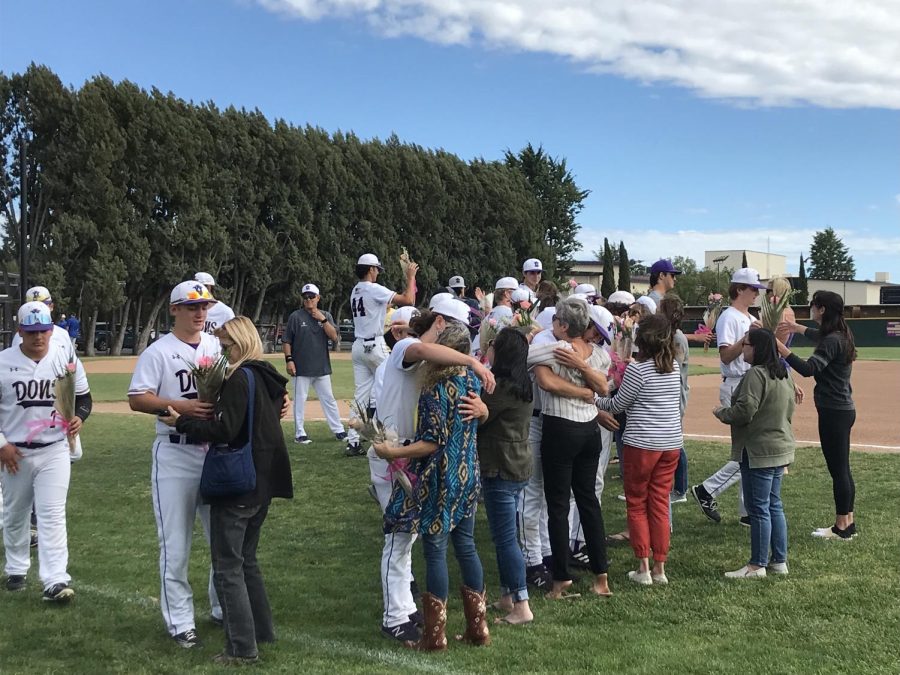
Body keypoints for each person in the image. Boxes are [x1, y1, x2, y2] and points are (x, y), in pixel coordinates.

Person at [160, 316, 293, 665]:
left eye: (226, 346)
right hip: (264, 481)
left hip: (238, 485)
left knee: (228, 567)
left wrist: (182, 422)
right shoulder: (267, 376)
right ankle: (262, 631)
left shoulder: (239, 379)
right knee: (247, 561)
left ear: (240, 343)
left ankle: (241, 649)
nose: (221, 353)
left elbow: (224, 430)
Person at [369, 299, 495, 645]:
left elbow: (433, 442)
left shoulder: (434, 388)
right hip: (468, 472)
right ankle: (477, 627)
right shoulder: (465, 376)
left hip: (436, 473)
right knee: (465, 546)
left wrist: (392, 451)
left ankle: (434, 633)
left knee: (431, 548)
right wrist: (480, 399)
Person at [127, 280, 224, 648]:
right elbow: (137, 398)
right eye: (191, 307)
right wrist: (181, 406)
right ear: (175, 310)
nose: (200, 313)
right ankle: (181, 622)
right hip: (175, 451)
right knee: (176, 544)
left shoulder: (217, 345)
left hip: (215, 450)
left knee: (223, 540)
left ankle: (221, 607)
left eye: (204, 307)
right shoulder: (159, 351)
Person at [0, 302, 91, 601]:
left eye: (43, 331)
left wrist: (79, 417)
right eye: (31, 331)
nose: (38, 337)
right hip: (15, 451)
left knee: (52, 514)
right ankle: (16, 567)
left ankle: (55, 579)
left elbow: (83, 398)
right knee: (15, 513)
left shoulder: (64, 356)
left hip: (54, 448)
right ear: (20, 331)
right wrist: (2, 445)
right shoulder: (3, 362)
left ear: (52, 330)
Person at [531, 297, 611, 599]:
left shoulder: (553, 350)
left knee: (559, 505)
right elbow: (601, 387)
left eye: (555, 322)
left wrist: (578, 368)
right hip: (589, 429)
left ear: (564, 326)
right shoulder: (599, 354)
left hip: (560, 428)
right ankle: (600, 577)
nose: (551, 326)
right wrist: (585, 391)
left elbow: (547, 383)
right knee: (588, 501)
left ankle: (561, 579)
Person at [596, 314, 682, 585]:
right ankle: (659, 567)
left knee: (637, 502)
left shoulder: (638, 369)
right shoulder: (674, 367)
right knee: (659, 503)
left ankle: (643, 566)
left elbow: (617, 404)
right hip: (670, 443)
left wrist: (594, 399)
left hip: (642, 443)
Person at [776, 290, 858, 540]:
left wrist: (778, 345)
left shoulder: (832, 340)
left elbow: (809, 369)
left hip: (834, 411)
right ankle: (848, 522)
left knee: (839, 470)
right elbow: (818, 336)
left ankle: (841, 527)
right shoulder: (838, 334)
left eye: (813, 304)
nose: (810, 307)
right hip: (842, 409)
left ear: (821, 309)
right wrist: (795, 327)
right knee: (843, 468)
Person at [714, 328, 795, 579]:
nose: (743, 349)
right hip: (780, 446)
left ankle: (757, 565)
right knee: (774, 505)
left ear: (757, 348)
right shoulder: (783, 375)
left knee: (758, 507)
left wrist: (722, 413)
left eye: (746, 344)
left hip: (758, 449)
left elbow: (744, 411)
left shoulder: (755, 375)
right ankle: (779, 560)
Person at [690, 268, 768, 525]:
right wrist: (748, 337)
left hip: (750, 382)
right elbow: (725, 356)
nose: (757, 293)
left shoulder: (750, 315)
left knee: (750, 449)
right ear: (740, 289)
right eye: (754, 289)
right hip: (736, 384)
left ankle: (747, 513)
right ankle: (707, 490)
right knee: (747, 453)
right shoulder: (729, 317)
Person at [472, 328, 534, 625]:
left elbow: (478, 416)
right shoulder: (523, 383)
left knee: (505, 539)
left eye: (494, 345)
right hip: (518, 465)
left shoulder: (502, 388)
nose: (490, 349)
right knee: (506, 536)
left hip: (501, 467)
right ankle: (508, 595)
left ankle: (521, 605)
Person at [346, 253, 418, 456]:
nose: (377, 272)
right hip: (375, 345)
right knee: (388, 387)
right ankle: (388, 436)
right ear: (370, 269)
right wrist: (410, 277)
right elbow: (408, 300)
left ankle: (352, 441)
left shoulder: (355, 290)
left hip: (358, 345)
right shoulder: (373, 288)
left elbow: (376, 307)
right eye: (376, 269)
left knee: (361, 395)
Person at [283, 283, 346, 445]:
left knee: (329, 399)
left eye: (311, 297)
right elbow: (287, 340)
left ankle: (338, 430)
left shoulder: (326, 315)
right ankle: (299, 433)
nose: (308, 300)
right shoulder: (295, 317)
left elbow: (334, 337)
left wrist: (322, 319)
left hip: (321, 367)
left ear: (318, 298)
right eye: (305, 297)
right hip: (301, 367)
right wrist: (289, 360)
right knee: (300, 400)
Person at [658, 296, 691, 503]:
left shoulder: (676, 338)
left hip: (675, 396)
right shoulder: (669, 335)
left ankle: (680, 489)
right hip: (671, 395)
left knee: (675, 443)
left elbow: (673, 369)